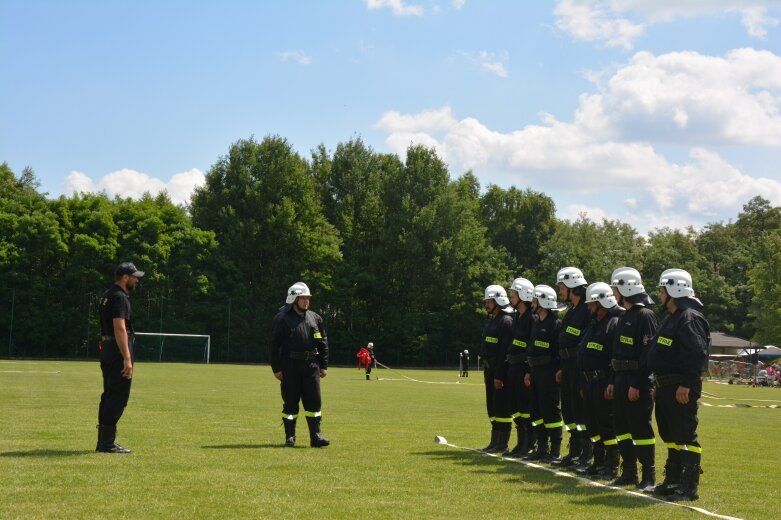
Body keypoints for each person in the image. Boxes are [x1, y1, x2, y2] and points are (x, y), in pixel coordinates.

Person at [648, 269, 710, 502]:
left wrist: (686, 384)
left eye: (662, 290)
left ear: (674, 290)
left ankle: (689, 486)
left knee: (685, 434)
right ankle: (673, 480)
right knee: (670, 434)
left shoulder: (689, 318)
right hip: (665, 387)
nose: (660, 294)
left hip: (679, 387)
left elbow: (695, 355)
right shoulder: (671, 319)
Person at [608, 267, 658, 490]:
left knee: (640, 428)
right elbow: (616, 352)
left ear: (626, 288)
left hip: (637, 380)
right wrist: (612, 380)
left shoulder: (645, 315)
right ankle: (629, 472)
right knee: (621, 426)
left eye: (616, 288)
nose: (614, 293)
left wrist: (637, 383)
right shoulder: (623, 316)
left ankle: (648, 475)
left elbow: (648, 354)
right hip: (619, 378)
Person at [269, 282, 330, 448]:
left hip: (311, 366)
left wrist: (323, 365)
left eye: (308, 298)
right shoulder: (281, 319)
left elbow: (322, 342)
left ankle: (316, 436)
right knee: (290, 401)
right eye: (303, 298)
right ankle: (290, 437)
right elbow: (274, 346)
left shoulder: (315, 318)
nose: (306, 301)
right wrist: (276, 368)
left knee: (314, 402)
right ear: (294, 298)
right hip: (290, 366)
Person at [95, 261, 144, 454]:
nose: (136, 281)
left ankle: (104, 442)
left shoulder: (107, 296)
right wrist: (126, 357)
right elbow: (119, 327)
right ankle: (106, 444)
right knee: (118, 396)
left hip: (107, 347)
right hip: (117, 349)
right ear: (125, 277)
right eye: (134, 277)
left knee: (109, 395)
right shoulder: (120, 297)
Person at [576, 282, 623, 478]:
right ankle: (598, 460)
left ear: (602, 303)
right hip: (588, 382)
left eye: (592, 304)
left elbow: (615, 357)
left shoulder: (614, 325)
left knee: (606, 424)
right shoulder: (593, 325)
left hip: (603, 382)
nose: (588, 308)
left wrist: (611, 381)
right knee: (592, 423)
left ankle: (611, 463)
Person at [554, 267, 591, 467]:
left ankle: (586, 452)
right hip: (567, 366)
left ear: (572, 288)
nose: (560, 291)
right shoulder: (572, 311)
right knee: (568, 409)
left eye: (562, 287)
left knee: (580, 410)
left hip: (578, 366)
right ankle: (574, 449)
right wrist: (562, 367)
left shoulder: (587, 309)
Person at [523, 285, 564, 462]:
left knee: (551, 411)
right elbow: (531, 350)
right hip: (535, 371)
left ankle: (554, 449)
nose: (532, 303)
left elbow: (559, 351)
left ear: (543, 302)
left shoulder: (555, 324)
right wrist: (528, 371)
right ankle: (541, 446)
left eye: (534, 300)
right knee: (536, 411)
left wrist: (558, 370)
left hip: (549, 373)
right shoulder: (536, 322)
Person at [478, 285, 515, 454]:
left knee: (501, 407)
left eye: (488, 301)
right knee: (492, 407)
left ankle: (502, 443)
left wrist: (499, 375)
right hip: (489, 370)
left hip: (499, 371)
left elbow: (503, 352)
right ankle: (494, 441)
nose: (486, 304)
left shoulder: (506, 322)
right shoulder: (492, 320)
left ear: (497, 301)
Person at [504, 277, 537, 457]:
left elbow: (531, 346)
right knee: (515, 406)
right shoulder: (516, 317)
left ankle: (528, 443)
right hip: (513, 366)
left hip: (524, 367)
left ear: (523, 295)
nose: (511, 297)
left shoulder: (531, 318)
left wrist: (528, 371)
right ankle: (520, 442)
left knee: (526, 408)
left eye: (513, 293)